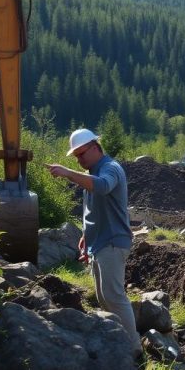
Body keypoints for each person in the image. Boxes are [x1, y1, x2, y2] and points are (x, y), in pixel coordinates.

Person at [45, 128, 139, 351]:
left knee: (114, 297)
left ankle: (134, 349)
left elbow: (103, 186)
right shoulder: (93, 171)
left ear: (95, 148)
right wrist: (86, 237)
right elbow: (93, 209)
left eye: (81, 154)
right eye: (76, 156)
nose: (79, 159)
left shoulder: (110, 168)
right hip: (99, 243)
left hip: (113, 242)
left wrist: (68, 172)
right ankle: (118, 344)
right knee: (104, 298)